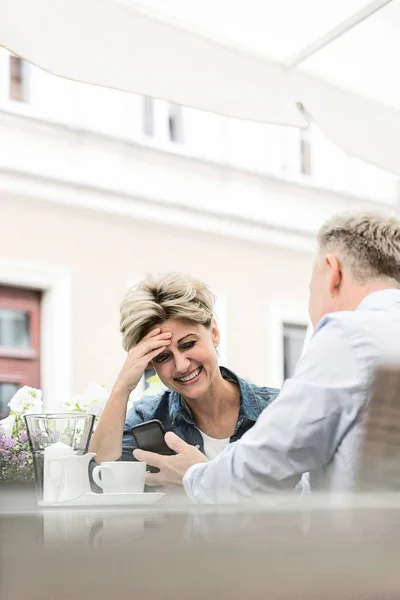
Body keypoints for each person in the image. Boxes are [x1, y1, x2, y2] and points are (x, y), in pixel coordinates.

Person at [133, 211, 400, 503]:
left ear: (332, 271)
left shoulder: (349, 334)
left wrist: (192, 476)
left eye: (312, 290)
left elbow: (267, 461)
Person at [89, 273, 279, 464]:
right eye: (163, 357)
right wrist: (122, 387)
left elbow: (302, 492)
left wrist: (198, 477)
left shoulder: (277, 409)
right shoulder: (148, 418)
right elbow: (98, 475)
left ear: (214, 332)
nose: (181, 365)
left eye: (188, 344)